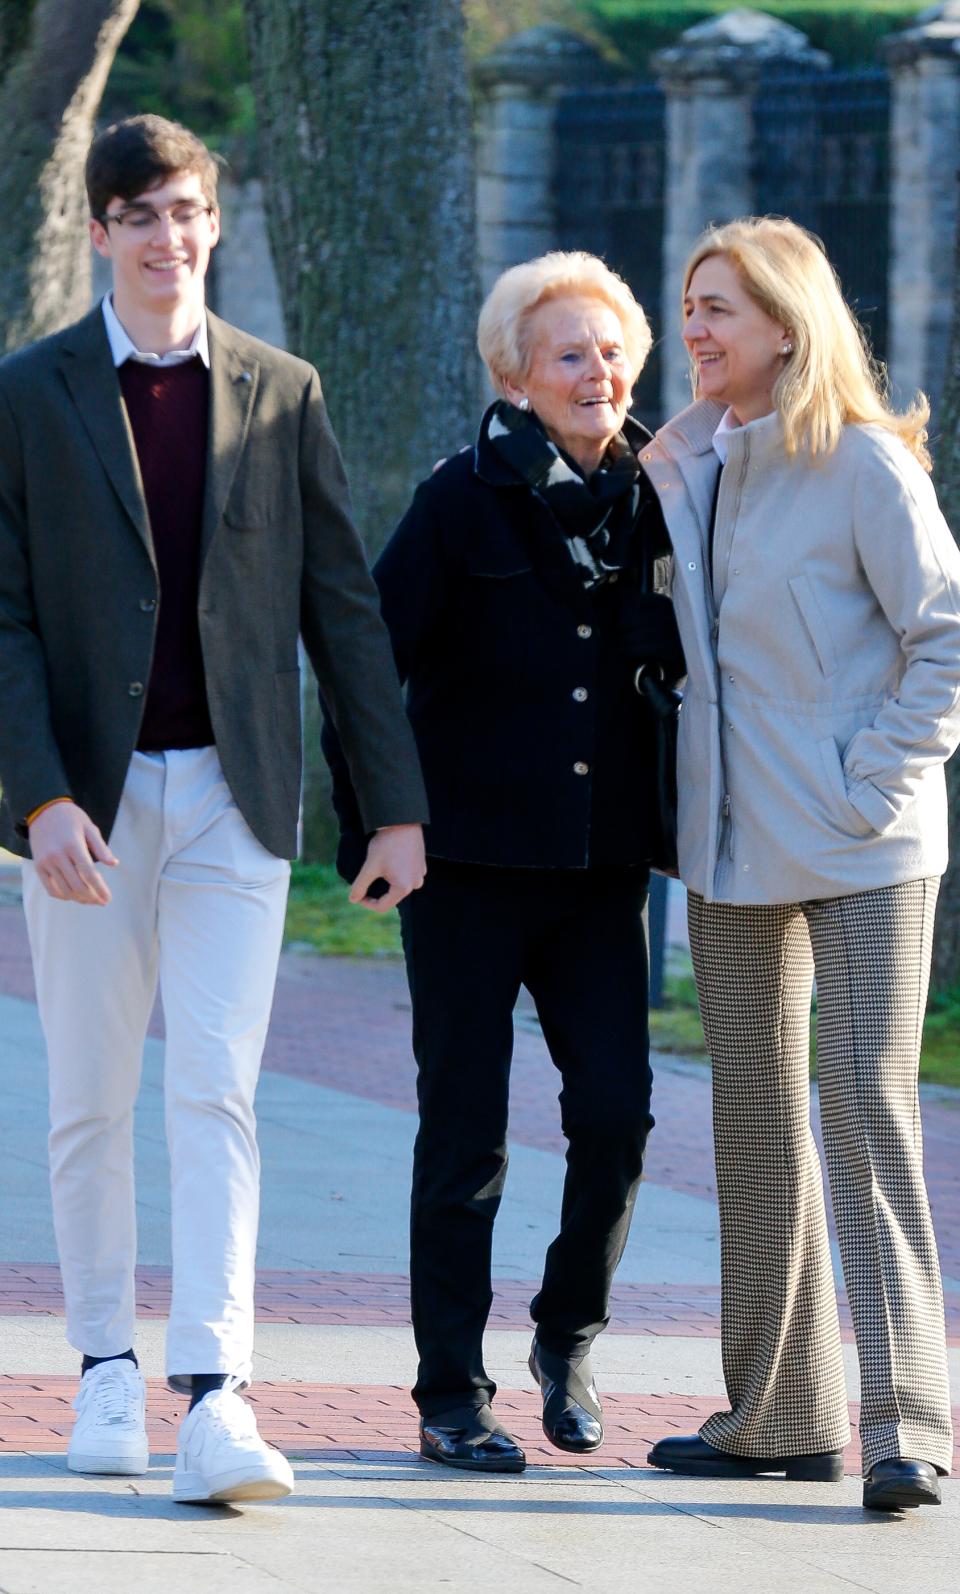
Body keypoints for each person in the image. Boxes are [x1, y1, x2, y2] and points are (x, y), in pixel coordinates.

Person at [0, 114, 428, 1504]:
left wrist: (393, 806)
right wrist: (41, 795)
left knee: (217, 1092)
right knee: (87, 1097)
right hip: (89, 811)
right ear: (102, 229)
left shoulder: (280, 388)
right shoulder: (32, 392)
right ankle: (106, 1370)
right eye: (139, 214)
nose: (167, 237)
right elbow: (0, 617)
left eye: (186, 211)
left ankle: (217, 1391)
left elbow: (343, 610)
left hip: (238, 798)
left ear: (214, 222)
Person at [324, 251, 685, 1472]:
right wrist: (388, 816)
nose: (599, 371)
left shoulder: (665, 493)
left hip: (603, 875)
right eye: (570, 352)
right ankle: (450, 1392)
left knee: (620, 1116)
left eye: (614, 348)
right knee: (465, 1131)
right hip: (468, 869)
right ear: (515, 374)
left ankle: (567, 1336)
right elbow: (367, 664)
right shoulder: (457, 500)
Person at [641, 215, 960, 1511]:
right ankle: (779, 1412)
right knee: (758, 1123)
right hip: (726, 844)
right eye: (690, 306)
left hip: (868, 843)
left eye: (720, 307)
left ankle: (908, 1424)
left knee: (865, 1108)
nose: (697, 331)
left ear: (788, 321)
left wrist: (870, 780)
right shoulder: (693, 464)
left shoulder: (869, 466)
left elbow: (944, 635)